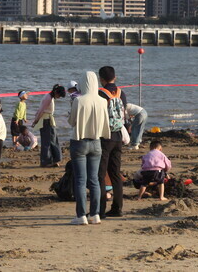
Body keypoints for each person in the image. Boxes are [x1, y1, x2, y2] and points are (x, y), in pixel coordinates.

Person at [68, 71, 109, 225]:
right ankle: (95, 214)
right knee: (94, 181)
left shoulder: (79, 100)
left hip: (79, 141)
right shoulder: (102, 101)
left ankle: (81, 215)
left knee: (80, 180)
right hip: (96, 142)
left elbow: (72, 122)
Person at [97, 66, 128, 219]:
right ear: (115, 77)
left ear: (101, 79)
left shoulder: (101, 93)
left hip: (105, 137)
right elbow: (125, 113)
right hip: (118, 136)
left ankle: (100, 210)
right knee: (115, 174)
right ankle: (118, 208)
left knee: (101, 175)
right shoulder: (122, 93)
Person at [33, 85, 65, 167]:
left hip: (47, 120)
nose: (59, 97)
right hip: (46, 121)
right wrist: (36, 120)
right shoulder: (48, 98)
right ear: (55, 92)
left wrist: (36, 119)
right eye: (59, 95)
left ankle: (52, 160)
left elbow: (40, 109)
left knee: (50, 141)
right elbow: (41, 110)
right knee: (49, 141)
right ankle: (48, 161)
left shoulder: (49, 97)